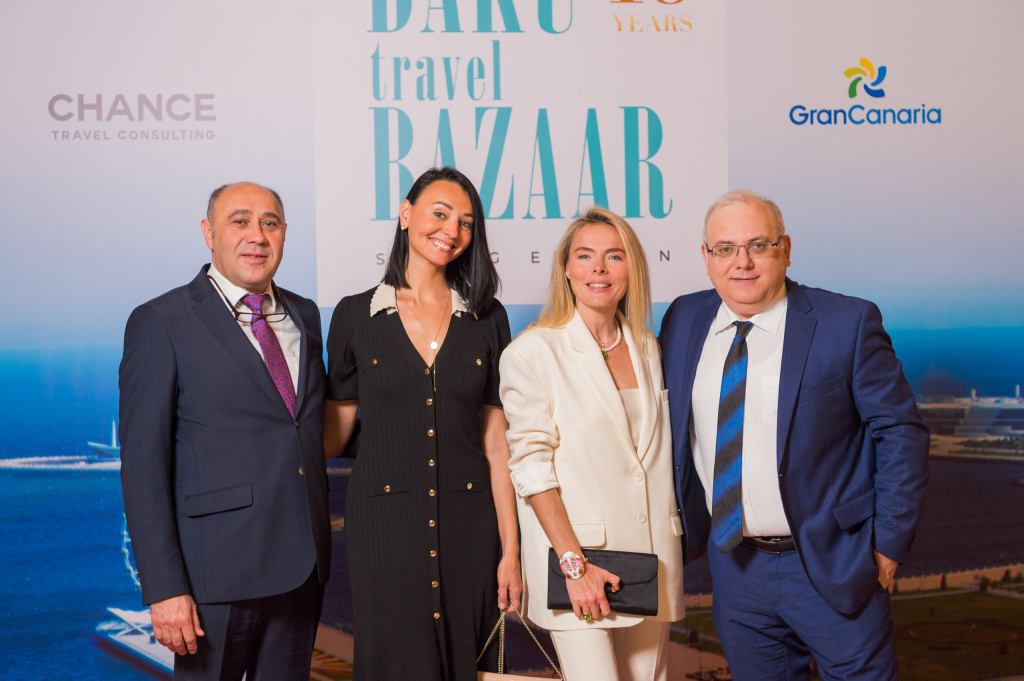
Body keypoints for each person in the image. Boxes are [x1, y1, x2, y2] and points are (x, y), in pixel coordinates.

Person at [659, 189, 929, 680]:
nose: (742, 262)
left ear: (784, 249)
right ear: (706, 257)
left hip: (832, 561)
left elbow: (901, 432)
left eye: (758, 245)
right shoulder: (683, 319)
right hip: (735, 568)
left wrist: (888, 543)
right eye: (725, 248)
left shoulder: (846, 322)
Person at [119, 182, 331, 680]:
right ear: (208, 233)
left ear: (284, 235)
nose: (257, 235)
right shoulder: (160, 321)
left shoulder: (304, 314)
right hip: (213, 578)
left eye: (270, 223)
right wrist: (165, 588)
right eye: (240, 221)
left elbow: (304, 427)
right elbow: (145, 467)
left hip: (301, 566)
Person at [323, 167, 522, 681]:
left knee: (469, 663)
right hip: (383, 531)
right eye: (440, 214)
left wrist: (511, 551)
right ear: (406, 214)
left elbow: (496, 445)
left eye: (466, 222)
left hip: (471, 530)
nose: (451, 231)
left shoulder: (488, 318)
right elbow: (333, 438)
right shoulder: (354, 316)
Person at [499, 207, 685, 681]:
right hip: (579, 565)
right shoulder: (532, 352)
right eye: (584, 256)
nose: (598, 268)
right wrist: (574, 566)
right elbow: (531, 469)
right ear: (566, 268)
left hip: (652, 560)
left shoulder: (648, 347)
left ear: (631, 268)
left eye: (614, 256)